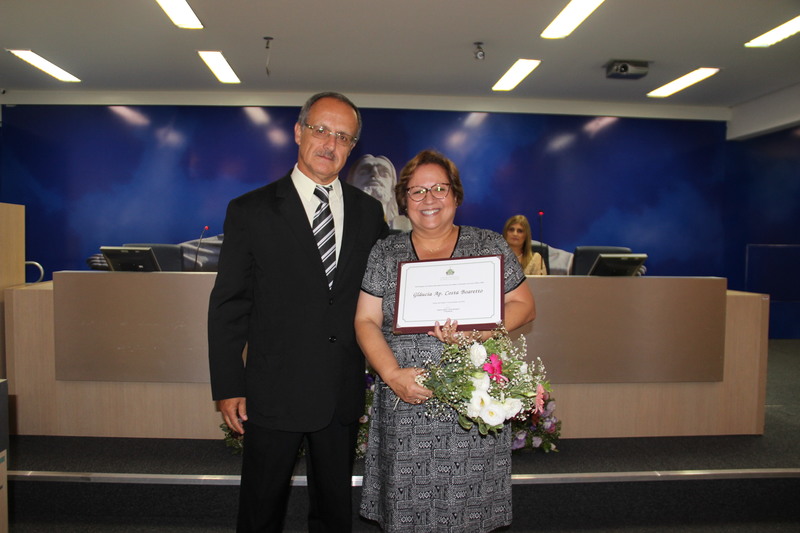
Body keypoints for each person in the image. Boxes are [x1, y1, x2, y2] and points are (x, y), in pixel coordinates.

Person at [207, 92, 389, 532]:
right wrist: (228, 385)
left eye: (342, 136)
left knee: (332, 513)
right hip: (272, 391)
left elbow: (384, 297)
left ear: (352, 147)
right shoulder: (250, 210)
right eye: (320, 129)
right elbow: (229, 304)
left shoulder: (369, 214)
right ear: (298, 132)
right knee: (261, 509)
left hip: (339, 392)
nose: (329, 143)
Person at [354, 149, 536, 532]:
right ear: (404, 200)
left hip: (473, 406)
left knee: (471, 512)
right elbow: (365, 320)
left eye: (439, 188)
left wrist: (481, 331)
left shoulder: (488, 245)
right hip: (405, 403)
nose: (429, 199)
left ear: (455, 195)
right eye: (417, 192)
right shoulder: (385, 252)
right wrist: (392, 375)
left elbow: (523, 305)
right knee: (407, 514)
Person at [346, 154, 412, 232]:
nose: (375, 174)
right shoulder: (339, 226)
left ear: (392, 189)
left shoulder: (407, 227)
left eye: (384, 174)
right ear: (351, 182)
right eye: (364, 172)